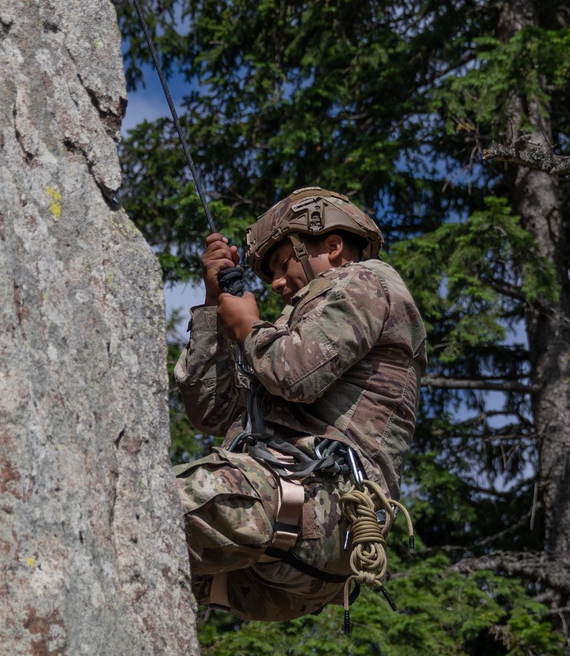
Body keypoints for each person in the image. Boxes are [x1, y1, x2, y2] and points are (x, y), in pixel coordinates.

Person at [174, 189, 427, 622]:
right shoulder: (288, 332)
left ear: (332, 246)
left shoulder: (369, 282)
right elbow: (212, 411)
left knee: (140, 510)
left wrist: (251, 327)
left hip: (321, 503)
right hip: (294, 562)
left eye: (283, 263)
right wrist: (214, 310)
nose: (275, 282)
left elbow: (295, 374)